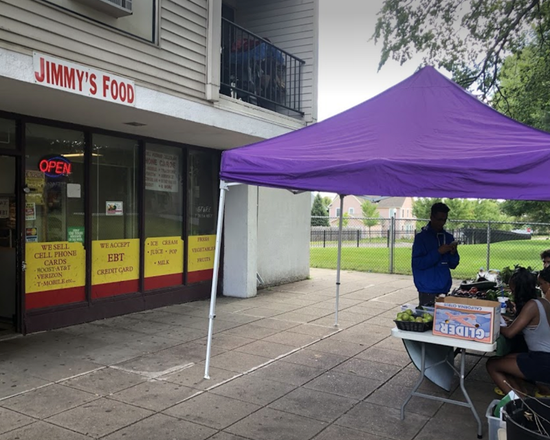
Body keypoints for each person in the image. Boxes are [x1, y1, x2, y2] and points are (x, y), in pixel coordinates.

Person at [486, 267, 550, 396]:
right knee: (504, 359)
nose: (512, 292)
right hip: (542, 356)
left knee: (492, 364)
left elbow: (510, 333)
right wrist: (510, 322)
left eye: (513, 289)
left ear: (519, 289)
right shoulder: (543, 302)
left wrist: (493, 322)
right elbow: (530, 325)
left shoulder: (531, 306)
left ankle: (519, 404)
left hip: (543, 360)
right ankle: (520, 394)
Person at [412, 202, 460, 306]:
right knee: (428, 319)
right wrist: (438, 252)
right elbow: (418, 263)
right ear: (431, 217)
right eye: (439, 219)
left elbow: (453, 264)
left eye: (444, 220)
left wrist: (453, 253)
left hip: (444, 287)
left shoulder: (448, 237)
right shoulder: (421, 238)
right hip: (427, 288)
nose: (441, 223)